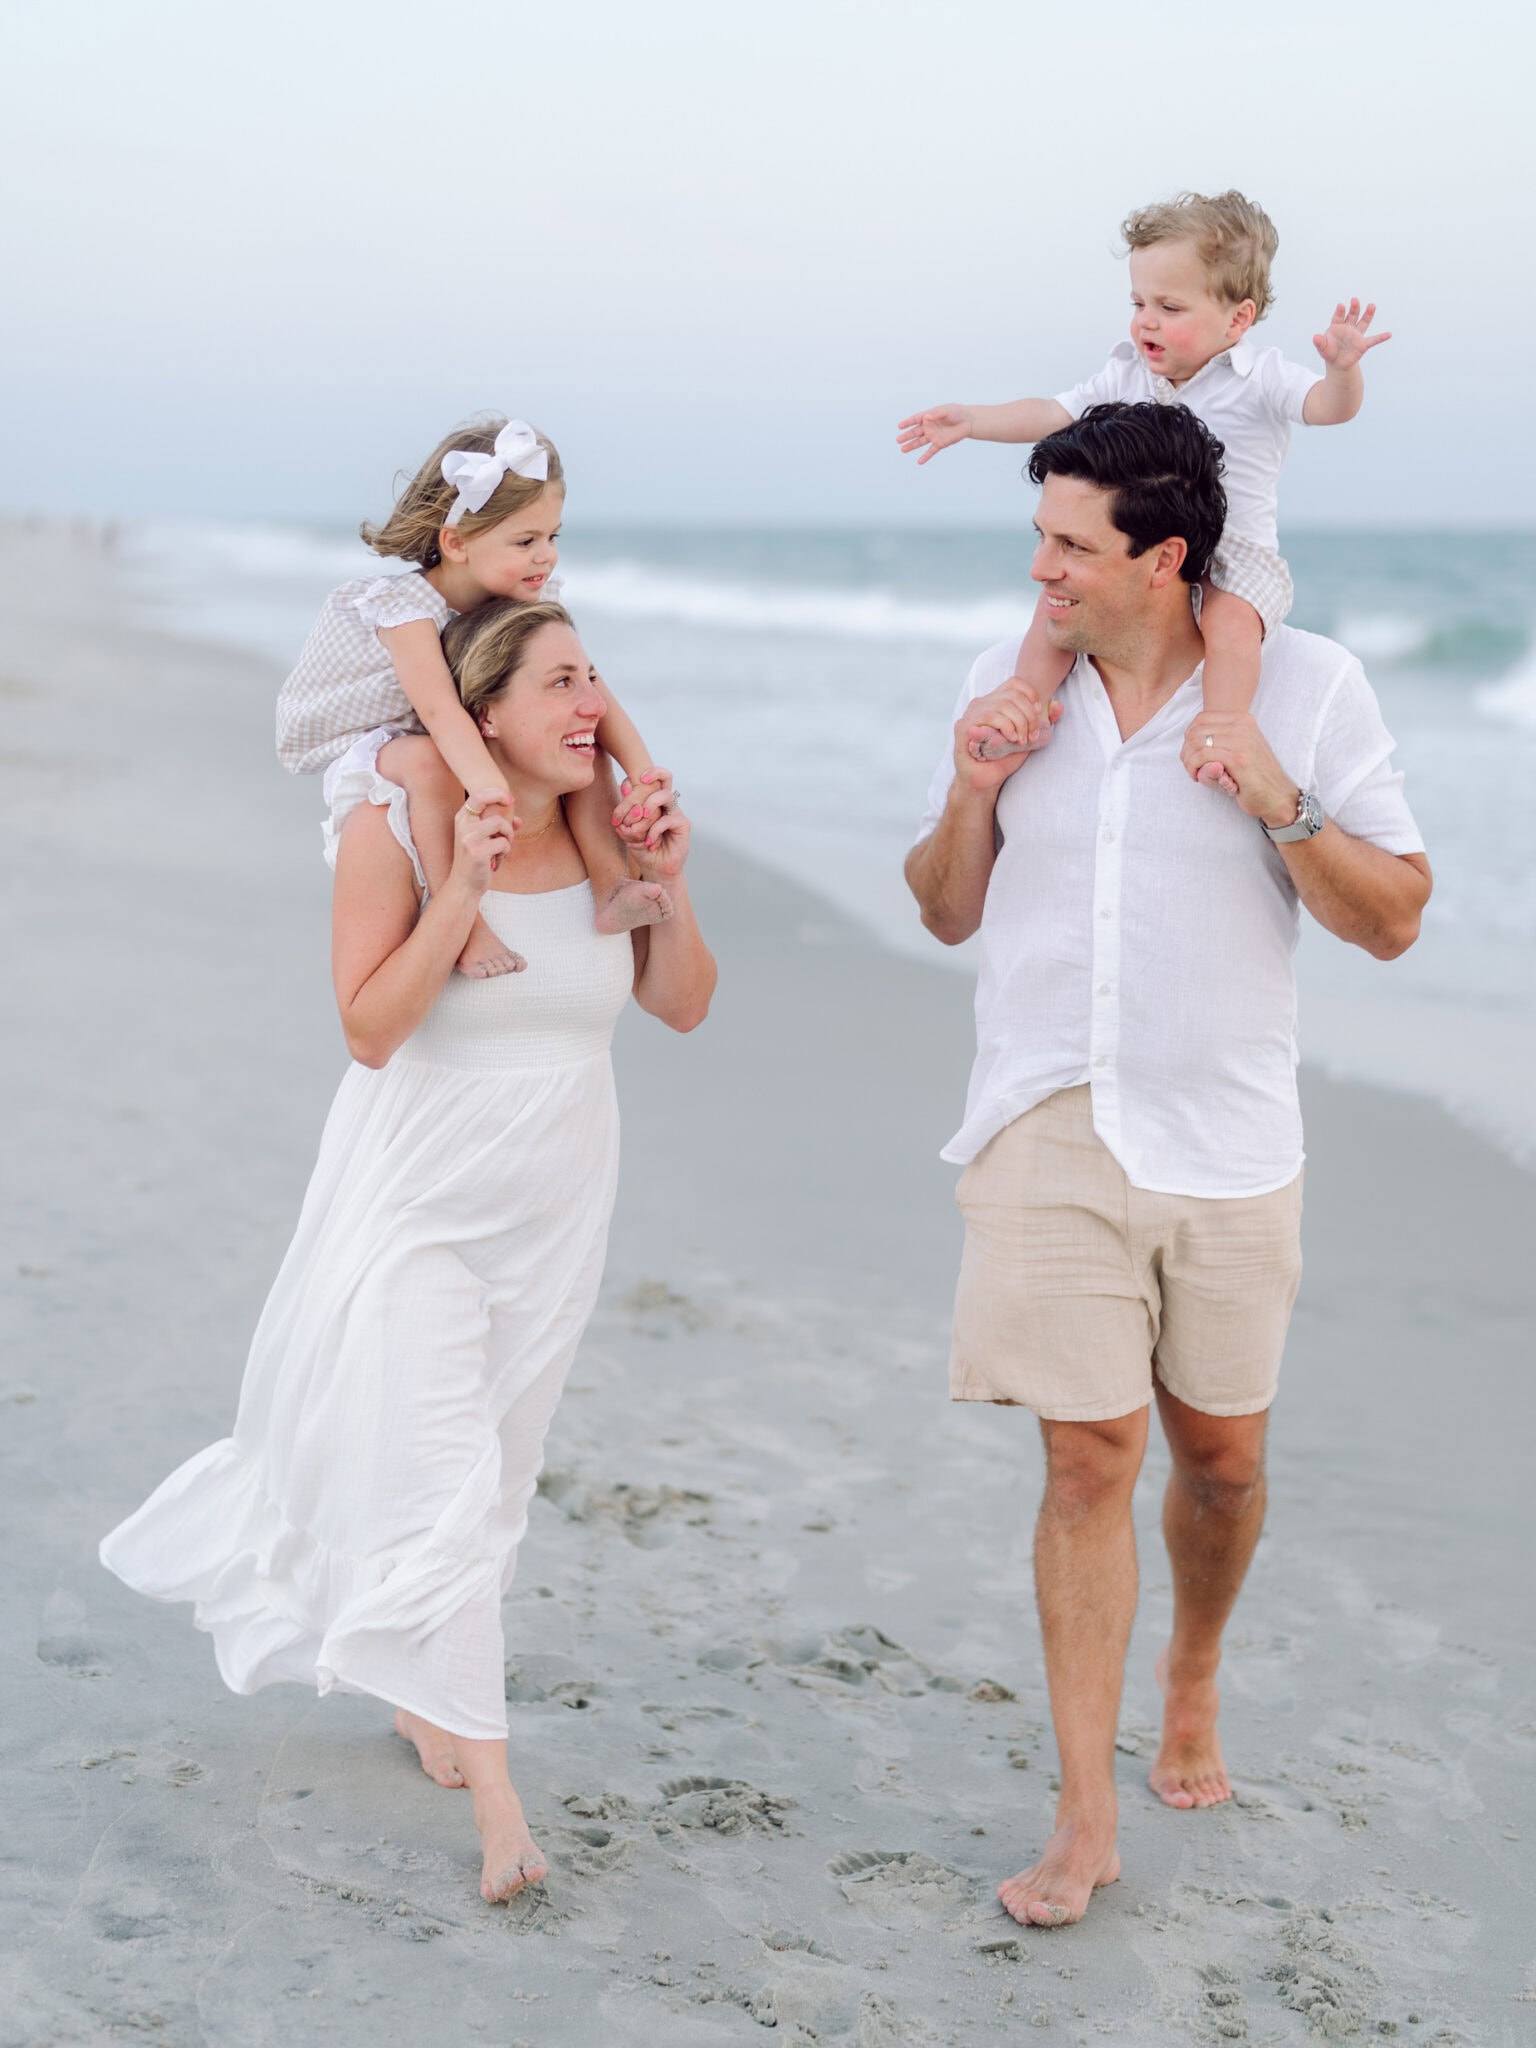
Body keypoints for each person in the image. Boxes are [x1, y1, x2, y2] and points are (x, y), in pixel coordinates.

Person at [904, 402, 1430, 1930]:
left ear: (1165, 557)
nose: (1041, 570)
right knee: (1088, 1460)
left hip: (1227, 1138)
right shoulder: (1011, 689)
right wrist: (969, 790)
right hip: (1045, 1116)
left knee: (1221, 1463)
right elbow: (945, 910)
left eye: (1070, 546)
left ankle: (1192, 1668)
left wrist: (1279, 794)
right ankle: (1082, 1815)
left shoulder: (1309, 688)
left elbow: (1394, 916)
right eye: (1040, 537)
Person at [102, 600, 716, 1906]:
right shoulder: (399, 827)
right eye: (558, 682)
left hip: (555, 1205)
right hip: (418, 1201)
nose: (589, 703)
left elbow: (680, 1003)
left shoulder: (608, 828)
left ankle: (423, 1695)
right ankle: (505, 1819)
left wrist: (673, 874)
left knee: (496, 1468)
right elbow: (370, 1028)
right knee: (440, 1471)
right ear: (479, 716)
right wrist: (467, 896)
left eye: (594, 677)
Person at [897, 190, 1390, 790]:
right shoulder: (1128, 372)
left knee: (1232, 628)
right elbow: (1054, 412)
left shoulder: (1260, 378)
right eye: (1138, 302)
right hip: (1144, 542)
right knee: (1056, 608)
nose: (1146, 321)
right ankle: (1024, 700)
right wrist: (973, 421)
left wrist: (1344, 370)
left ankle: (1222, 731)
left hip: (1235, 551)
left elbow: (1328, 409)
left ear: (1237, 318)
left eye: (1170, 306)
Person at [277, 416, 674, 978]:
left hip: (449, 726)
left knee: (582, 741)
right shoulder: (405, 606)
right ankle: (466, 924)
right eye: (526, 540)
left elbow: (592, 687)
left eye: (553, 537)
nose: (547, 557)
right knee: (431, 762)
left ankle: (612, 887)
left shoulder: (521, 591)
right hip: (373, 735)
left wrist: (642, 771)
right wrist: (487, 785)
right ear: (456, 542)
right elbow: (438, 709)